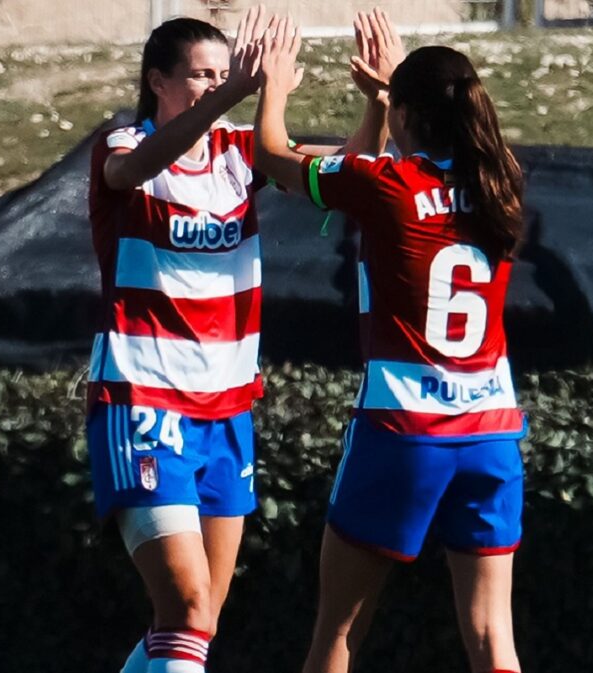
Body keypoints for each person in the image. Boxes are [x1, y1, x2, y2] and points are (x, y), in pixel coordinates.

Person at [85, 7, 398, 673]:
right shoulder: (122, 146)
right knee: (189, 606)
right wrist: (242, 92)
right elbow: (132, 168)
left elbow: (341, 177)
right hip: (142, 402)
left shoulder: (237, 154)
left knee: (195, 623)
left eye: (221, 75)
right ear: (157, 81)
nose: (214, 86)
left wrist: (379, 103)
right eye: (199, 75)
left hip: (226, 411)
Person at [254, 19, 527, 673]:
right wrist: (388, 97)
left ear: (408, 113)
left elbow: (271, 154)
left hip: (404, 429)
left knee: (340, 631)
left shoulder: (385, 186)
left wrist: (272, 85)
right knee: (493, 639)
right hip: (491, 432)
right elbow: (407, 156)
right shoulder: (501, 184)